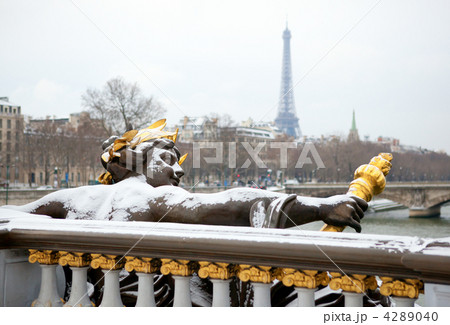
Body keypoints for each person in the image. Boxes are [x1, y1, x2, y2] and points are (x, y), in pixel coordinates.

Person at [4, 119, 367, 232]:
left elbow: (11, 214)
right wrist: (320, 207)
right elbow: (231, 203)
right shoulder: (151, 196)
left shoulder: (75, 197)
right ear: (133, 161)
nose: (178, 169)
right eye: (167, 158)